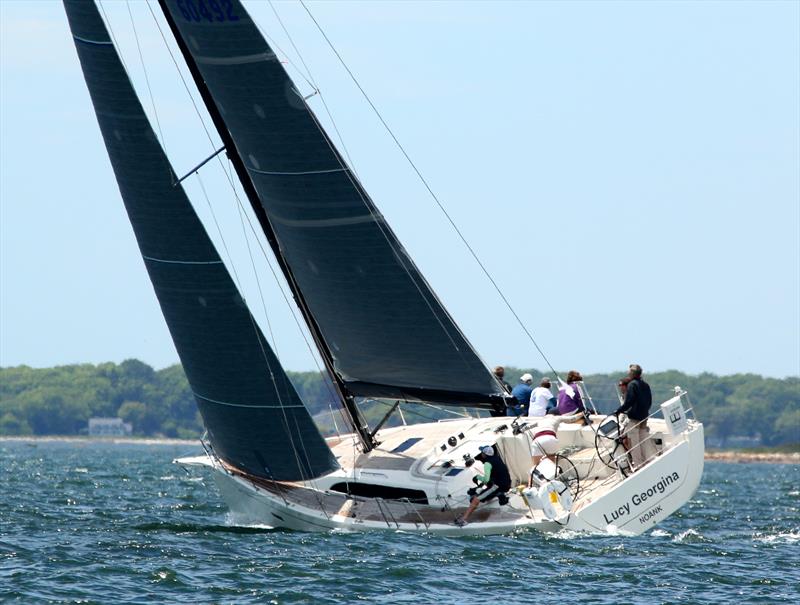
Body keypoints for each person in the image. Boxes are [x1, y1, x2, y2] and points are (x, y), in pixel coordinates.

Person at [455, 445, 512, 526]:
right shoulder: (498, 459)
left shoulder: (487, 464)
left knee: (476, 499)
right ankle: (494, 495)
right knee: (486, 488)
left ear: (484, 454)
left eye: (482, 452)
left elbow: (486, 480)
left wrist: (477, 477)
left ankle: (463, 519)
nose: (481, 453)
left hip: (498, 486)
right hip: (507, 484)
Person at [525, 411, 583, 485]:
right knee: (552, 466)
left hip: (537, 440)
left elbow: (527, 427)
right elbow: (571, 419)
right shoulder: (556, 417)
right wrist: (582, 413)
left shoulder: (541, 420)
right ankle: (554, 484)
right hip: (550, 438)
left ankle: (529, 487)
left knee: (535, 467)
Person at [615, 364, 653, 470]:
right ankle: (646, 462)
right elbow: (649, 401)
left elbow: (629, 401)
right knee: (642, 440)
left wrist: (618, 411)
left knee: (634, 442)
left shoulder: (632, 385)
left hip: (635, 418)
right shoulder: (645, 385)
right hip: (644, 416)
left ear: (632, 373)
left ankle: (638, 465)